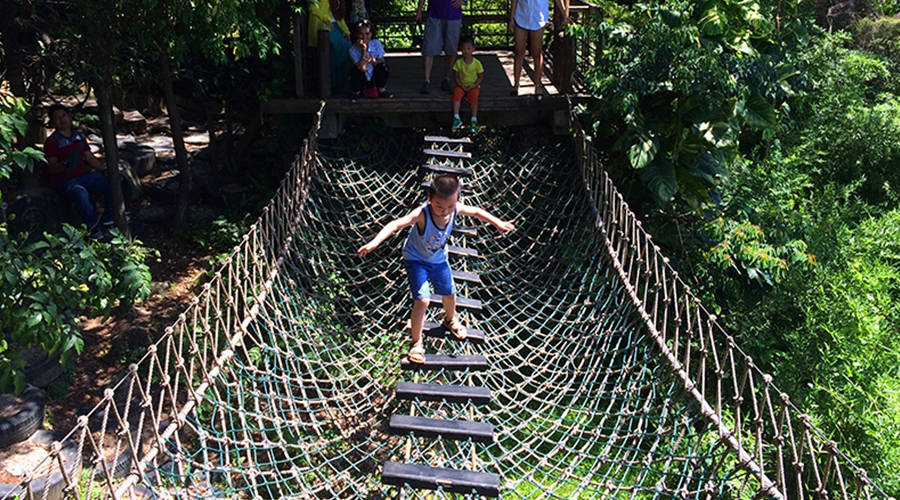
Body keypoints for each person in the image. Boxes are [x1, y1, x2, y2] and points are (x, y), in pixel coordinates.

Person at [357, 175, 515, 363]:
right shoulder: (422, 214)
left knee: (450, 293)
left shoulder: (454, 209)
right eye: (439, 206)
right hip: (416, 259)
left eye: (449, 207)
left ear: (456, 201)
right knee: (423, 300)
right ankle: (416, 343)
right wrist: (374, 243)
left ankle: (449, 320)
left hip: (439, 259)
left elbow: (476, 212)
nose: (444, 212)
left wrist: (498, 223)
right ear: (429, 199)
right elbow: (397, 224)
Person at [42, 104, 114, 240]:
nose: (62, 120)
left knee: (105, 180)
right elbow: (52, 167)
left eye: (63, 116)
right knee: (80, 193)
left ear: (69, 117)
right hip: (64, 182)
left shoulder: (79, 136)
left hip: (83, 176)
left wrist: (104, 169)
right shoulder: (51, 142)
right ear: (52, 122)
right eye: (57, 118)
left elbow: (90, 158)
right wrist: (65, 164)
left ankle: (108, 220)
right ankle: (94, 230)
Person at [508, 0, 567, 99]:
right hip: (521, 16)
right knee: (519, 51)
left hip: (538, 17)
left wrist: (564, 14)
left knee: (537, 52)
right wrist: (511, 18)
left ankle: (538, 86)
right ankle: (516, 84)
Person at [416, 0, 463, 94]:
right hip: (434, 14)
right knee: (429, 48)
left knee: (451, 49)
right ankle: (426, 80)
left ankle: (447, 78)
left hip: (453, 14)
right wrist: (419, 11)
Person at [309, 0, 352, 92]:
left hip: (335, 26)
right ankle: (331, 83)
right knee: (332, 46)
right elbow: (312, 8)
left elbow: (338, 17)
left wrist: (346, 31)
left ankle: (341, 83)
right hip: (322, 25)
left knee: (347, 46)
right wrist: (325, 19)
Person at [348, 20, 392, 99]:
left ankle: (381, 89)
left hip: (373, 75)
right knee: (355, 71)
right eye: (361, 34)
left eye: (367, 34)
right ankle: (356, 92)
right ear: (356, 34)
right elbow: (362, 68)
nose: (364, 37)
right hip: (362, 76)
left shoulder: (376, 43)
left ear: (371, 34)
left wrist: (371, 60)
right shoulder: (352, 49)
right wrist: (364, 50)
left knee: (383, 67)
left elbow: (381, 60)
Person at [450, 36, 484, 133]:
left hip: (473, 85)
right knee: (456, 94)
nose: (466, 51)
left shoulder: (477, 63)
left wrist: (474, 85)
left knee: (474, 97)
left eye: (468, 48)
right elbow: (456, 76)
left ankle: (474, 119)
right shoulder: (459, 62)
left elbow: (480, 77)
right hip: (462, 85)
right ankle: (456, 117)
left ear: (473, 49)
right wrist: (460, 85)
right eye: (464, 49)